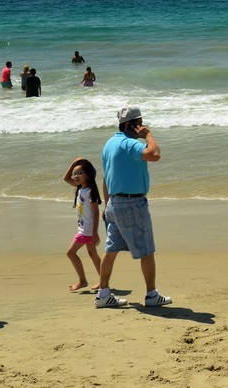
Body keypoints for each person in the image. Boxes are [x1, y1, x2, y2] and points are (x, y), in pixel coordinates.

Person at [95, 106, 172, 309]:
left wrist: (107, 204)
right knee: (146, 250)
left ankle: (103, 293)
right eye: (139, 123)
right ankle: (151, 294)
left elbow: (105, 176)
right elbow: (154, 154)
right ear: (130, 125)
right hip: (132, 203)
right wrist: (148, 135)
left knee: (110, 250)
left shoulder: (109, 143)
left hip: (114, 203)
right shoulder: (129, 144)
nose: (142, 126)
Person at [62, 158, 102, 292]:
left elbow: (96, 213)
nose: (75, 176)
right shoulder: (80, 188)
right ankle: (103, 281)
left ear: (88, 175)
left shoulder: (90, 191)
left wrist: (95, 233)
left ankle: (83, 281)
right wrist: (73, 163)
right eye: (75, 173)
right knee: (93, 255)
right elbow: (65, 178)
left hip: (87, 231)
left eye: (79, 173)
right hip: (84, 229)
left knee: (70, 253)